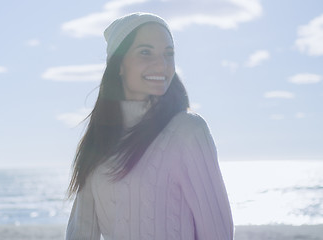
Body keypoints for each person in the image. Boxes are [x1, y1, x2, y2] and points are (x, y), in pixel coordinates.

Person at [66, 12, 233, 240]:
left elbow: (217, 232)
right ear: (119, 64)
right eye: (145, 52)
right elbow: (81, 231)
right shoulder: (99, 140)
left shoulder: (188, 131)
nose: (161, 64)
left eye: (168, 53)